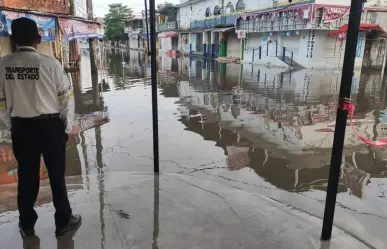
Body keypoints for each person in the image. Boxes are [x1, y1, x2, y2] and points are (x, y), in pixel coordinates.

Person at [0, 17, 81, 237]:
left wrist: (11, 128)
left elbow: (1, 104)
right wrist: (66, 127)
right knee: (56, 175)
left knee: (27, 176)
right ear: (38, 38)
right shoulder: (51, 64)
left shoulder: (2, 65)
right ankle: (63, 222)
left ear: (12, 39)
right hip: (50, 127)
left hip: (21, 129)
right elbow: (67, 98)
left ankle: (26, 225)